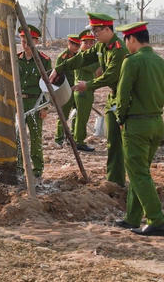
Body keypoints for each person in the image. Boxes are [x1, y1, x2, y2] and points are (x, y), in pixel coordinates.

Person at [53, 13, 127, 185]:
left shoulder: (118, 48)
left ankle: (119, 180)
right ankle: (114, 180)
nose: (94, 34)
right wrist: (60, 68)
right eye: (92, 30)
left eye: (96, 30)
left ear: (108, 29)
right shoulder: (101, 47)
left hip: (124, 97)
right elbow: (82, 58)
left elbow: (110, 76)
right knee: (112, 142)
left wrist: (88, 85)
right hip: (113, 96)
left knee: (120, 143)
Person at [113, 22, 164, 236]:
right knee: (140, 172)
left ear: (132, 40)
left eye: (126, 41)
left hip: (136, 124)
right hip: (157, 123)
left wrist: (120, 118)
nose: (126, 45)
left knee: (138, 173)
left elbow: (123, 95)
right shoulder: (162, 63)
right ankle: (132, 217)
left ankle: (156, 220)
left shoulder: (132, 62)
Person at [16, 25, 52, 180]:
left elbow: (48, 85)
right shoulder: (16, 59)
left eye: (29, 41)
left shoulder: (43, 60)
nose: (26, 45)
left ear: (36, 41)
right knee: (17, 136)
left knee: (36, 136)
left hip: (35, 103)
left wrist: (44, 107)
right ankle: (19, 167)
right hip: (19, 102)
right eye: (23, 41)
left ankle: (37, 169)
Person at [53, 33, 81, 146]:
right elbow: (57, 75)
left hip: (76, 90)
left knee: (76, 114)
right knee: (63, 115)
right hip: (65, 90)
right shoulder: (62, 57)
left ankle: (72, 137)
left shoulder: (78, 57)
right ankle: (58, 139)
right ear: (68, 43)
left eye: (78, 45)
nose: (76, 47)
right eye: (74, 44)